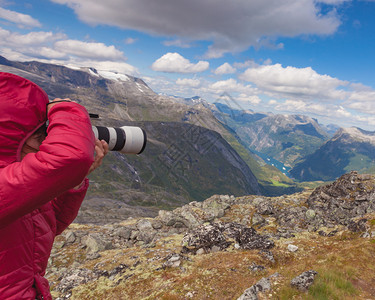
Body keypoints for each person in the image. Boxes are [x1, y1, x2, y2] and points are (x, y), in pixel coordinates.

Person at [0, 72, 108, 299]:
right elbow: (71, 157)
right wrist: (68, 109)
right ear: (10, 138)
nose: (44, 144)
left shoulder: (14, 187)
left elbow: (47, 227)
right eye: (40, 136)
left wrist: (74, 181)